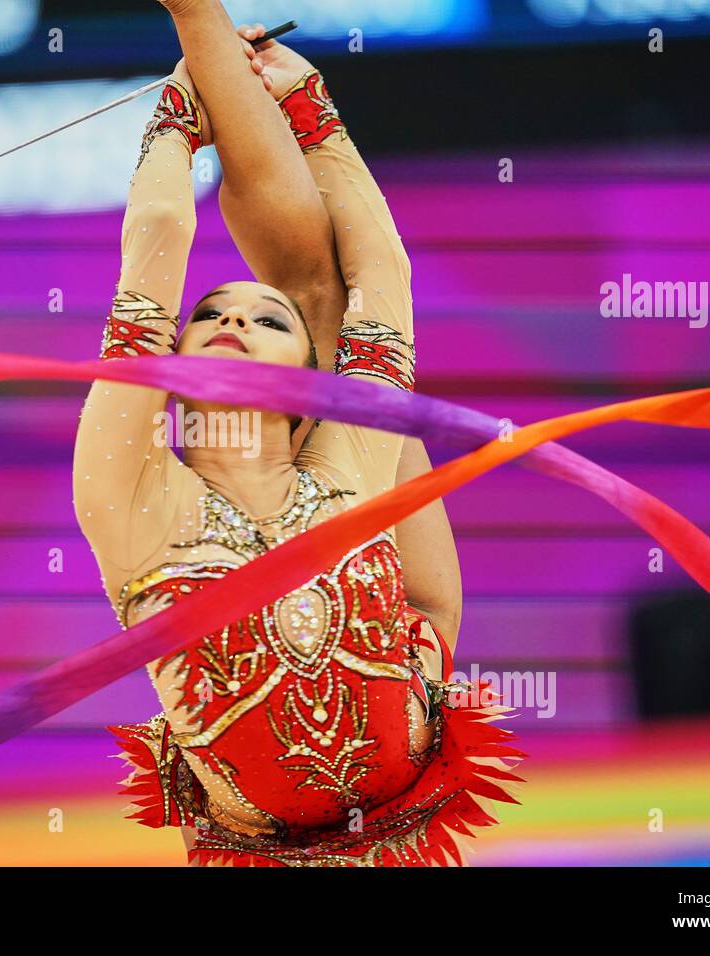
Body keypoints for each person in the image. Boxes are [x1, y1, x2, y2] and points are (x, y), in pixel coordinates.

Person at [75, 0, 523, 866]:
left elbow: (375, 282)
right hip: (277, 844)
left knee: (322, 289)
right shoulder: (135, 495)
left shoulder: (346, 466)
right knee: (315, 288)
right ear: (171, 359)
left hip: (403, 745)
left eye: (264, 321)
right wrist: (181, 107)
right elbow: (159, 247)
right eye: (210, 314)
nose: (235, 320)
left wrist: (311, 106)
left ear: (302, 382)